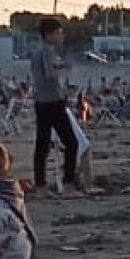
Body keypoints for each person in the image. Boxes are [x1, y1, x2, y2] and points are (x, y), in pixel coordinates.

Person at [29, 18, 83, 196]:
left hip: (41, 101)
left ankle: (41, 186)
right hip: (52, 100)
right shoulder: (47, 51)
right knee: (71, 143)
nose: (62, 36)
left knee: (42, 144)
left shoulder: (38, 52)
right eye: (59, 32)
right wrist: (64, 69)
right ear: (49, 34)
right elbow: (51, 74)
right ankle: (68, 185)